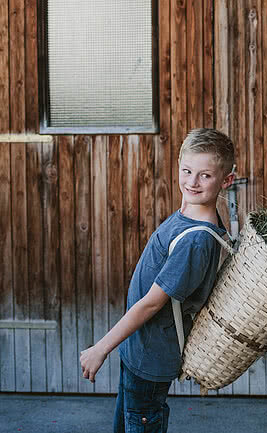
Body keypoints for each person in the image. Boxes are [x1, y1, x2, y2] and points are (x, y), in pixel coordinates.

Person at [80, 128, 235, 433]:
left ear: (226, 180)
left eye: (205, 176)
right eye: (187, 171)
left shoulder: (196, 241)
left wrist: (101, 348)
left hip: (151, 358)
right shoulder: (188, 214)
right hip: (138, 349)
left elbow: (152, 304)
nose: (192, 182)